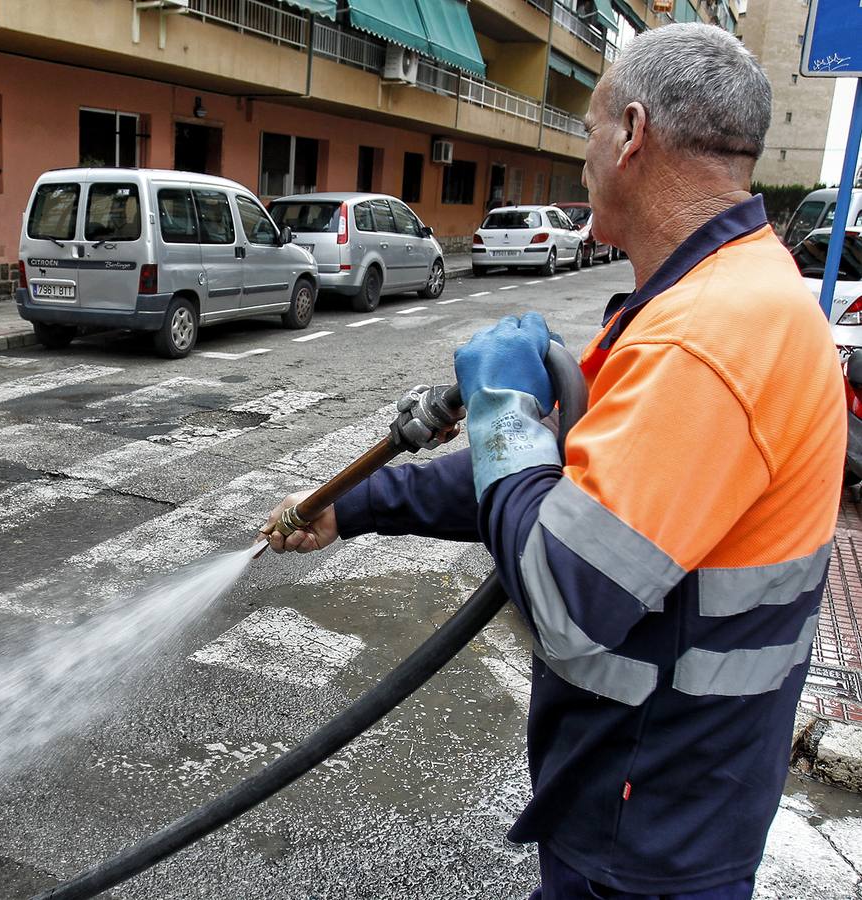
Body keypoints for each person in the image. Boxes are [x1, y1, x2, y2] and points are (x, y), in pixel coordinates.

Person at [261, 23, 844, 900]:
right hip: (662, 792)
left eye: (587, 132)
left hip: (651, 824)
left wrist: (499, 407)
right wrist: (357, 503)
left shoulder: (708, 339)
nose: (583, 160)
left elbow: (568, 591)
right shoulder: (715, 292)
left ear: (632, 134)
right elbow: (566, 478)